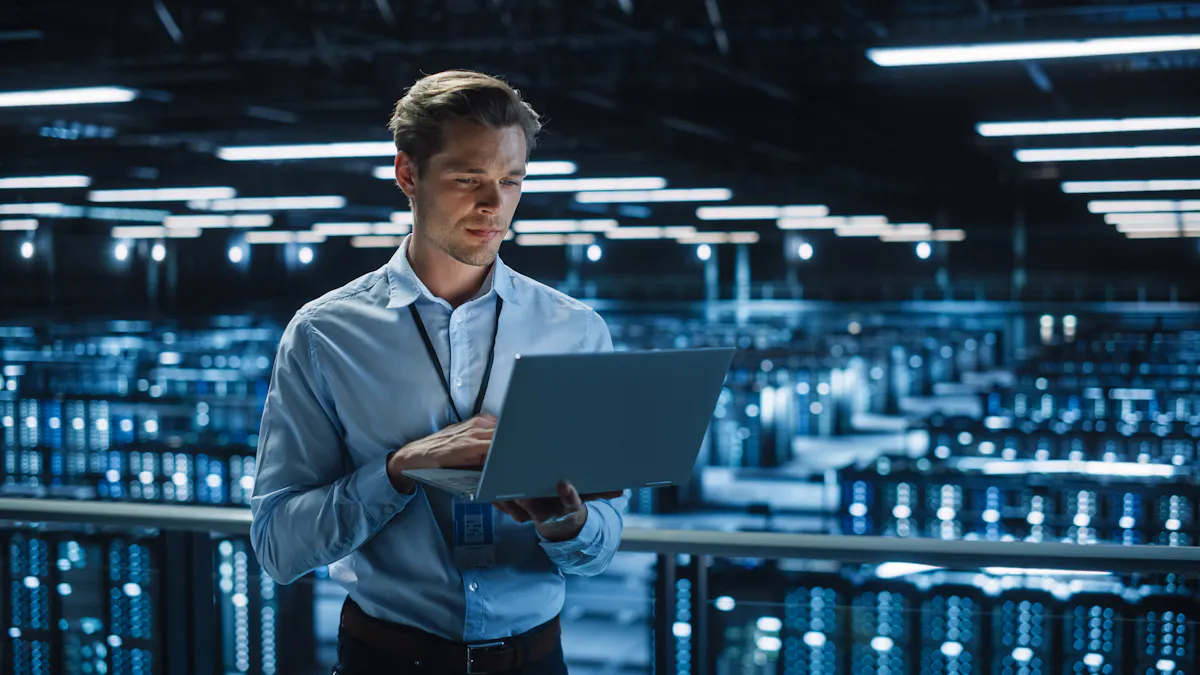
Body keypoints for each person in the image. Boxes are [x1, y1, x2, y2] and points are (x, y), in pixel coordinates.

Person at [249, 70, 628, 675]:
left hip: (534, 661)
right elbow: (276, 547)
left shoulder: (576, 331)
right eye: (468, 179)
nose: (494, 204)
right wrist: (397, 473)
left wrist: (571, 524)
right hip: (387, 660)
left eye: (511, 181)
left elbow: (602, 547)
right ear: (408, 174)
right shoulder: (324, 335)